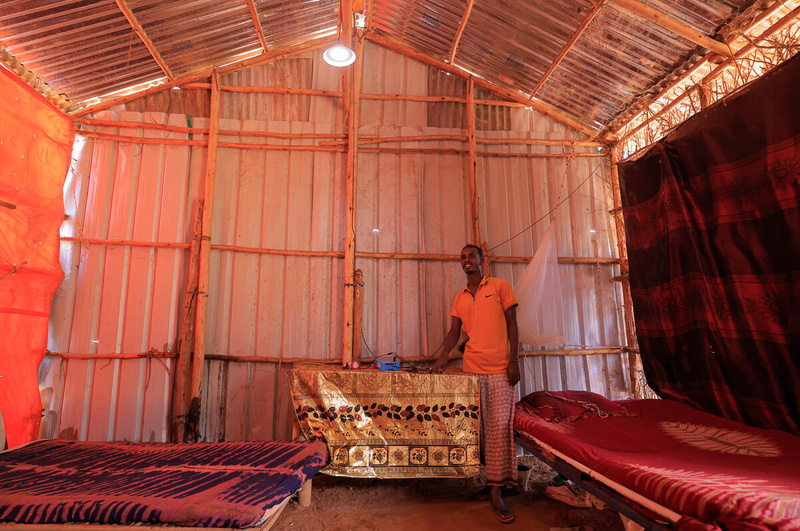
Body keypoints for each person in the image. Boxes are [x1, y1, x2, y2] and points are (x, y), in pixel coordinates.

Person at [432, 244, 520, 524]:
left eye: (471, 256)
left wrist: (513, 360)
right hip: (471, 373)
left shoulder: (500, 287)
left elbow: (513, 325)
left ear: (482, 260)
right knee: (474, 432)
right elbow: (453, 333)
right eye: (462, 258)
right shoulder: (459, 298)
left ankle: (497, 492)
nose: (466, 261)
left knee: (499, 431)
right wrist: (441, 360)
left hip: (499, 371)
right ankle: (482, 483)